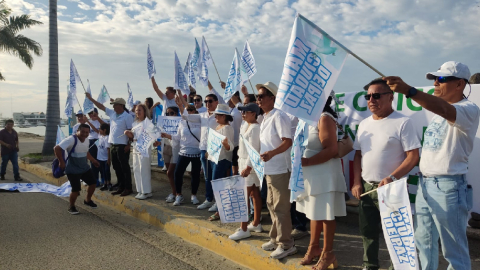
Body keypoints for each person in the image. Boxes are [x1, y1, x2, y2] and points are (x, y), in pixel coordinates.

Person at [384, 61, 480, 270]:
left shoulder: (469, 109)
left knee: (454, 250)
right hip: (425, 185)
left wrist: (409, 91)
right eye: (434, 79)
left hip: (448, 188)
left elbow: (444, 108)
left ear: (460, 84)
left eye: (442, 79)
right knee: (424, 243)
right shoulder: (440, 112)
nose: (435, 83)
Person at [351, 78, 421, 270]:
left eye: (376, 95)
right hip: (366, 187)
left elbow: (413, 156)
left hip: (392, 190)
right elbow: (357, 155)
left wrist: (393, 177)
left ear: (390, 97)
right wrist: (356, 182)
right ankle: (369, 265)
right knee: (368, 232)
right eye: (368, 96)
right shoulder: (364, 124)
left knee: (396, 236)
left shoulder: (403, 122)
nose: (371, 99)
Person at [297, 95, 347, 269]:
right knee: (313, 212)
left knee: (325, 214)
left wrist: (307, 162)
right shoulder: (306, 120)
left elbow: (332, 149)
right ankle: (314, 248)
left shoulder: (324, 117)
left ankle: (328, 253)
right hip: (311, 175)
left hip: (324, 176)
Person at [256, 81, 295, 259]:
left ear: (272, 98)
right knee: (271, 205)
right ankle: (275, 238)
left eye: (261, 96)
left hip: (280, 168)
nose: (258, 99)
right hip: (269, 168)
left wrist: (271, 153)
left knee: (280, 207)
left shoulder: (279, 116)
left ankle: (286, 243)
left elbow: (287, 141)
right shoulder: (266, 117)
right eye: (257, 96)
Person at [85, 93, 134, 197]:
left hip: (122, 145)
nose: (113, 106)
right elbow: (101, 107)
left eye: (115, 105)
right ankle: (121, 186)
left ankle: (128, 187)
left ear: (121, 105)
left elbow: (130, 131)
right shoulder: (112, 113)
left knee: (124, 167)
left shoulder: (127, 116)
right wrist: (91, 98)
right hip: (112, 144)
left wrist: (129, 145)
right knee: (116, 167)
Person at [228, 102, 263, 240]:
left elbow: (254, 149)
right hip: (245, 163)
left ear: (253, 113)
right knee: (254, 194)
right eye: (242, 112)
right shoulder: (247, 125)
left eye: (245, 112)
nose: (242, 114)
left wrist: (248, 167)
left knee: (244, 196)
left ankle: (243, 228)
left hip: (249, 165)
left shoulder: (255, 128)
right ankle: (256, 222)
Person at [54, 123, 100, 214]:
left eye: (87, 132)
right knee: (76, 189)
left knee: (93, 183)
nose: (85, 134)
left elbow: (86, 152)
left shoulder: (87, 140)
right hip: (72, 169)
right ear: (77, 131)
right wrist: (61, 162)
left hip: (84, 167)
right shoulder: (71, 139)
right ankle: (71, 206)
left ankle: (87, 200)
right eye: (83, 131)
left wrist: (93, 160)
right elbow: (57, 148)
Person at [162, 104, 202, 206]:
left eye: (191, 110)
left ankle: (194, 195)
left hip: (196, 152)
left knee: (195, 175)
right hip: (183, 152)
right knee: (178, 174)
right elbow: (178, 137)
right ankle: (179, 195)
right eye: (187, 110)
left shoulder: (200, 121)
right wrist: (167, 136)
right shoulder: (181, 122)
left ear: (195, 111)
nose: (189, 112)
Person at [124, 103, 160, 200]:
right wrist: (128, 133)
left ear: (144, 111)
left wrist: (155, 142)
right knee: (136, 168)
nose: (137, 112)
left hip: (144, 147)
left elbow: (153, 135)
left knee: (144, 169)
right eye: (136, 110)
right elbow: (133, 136)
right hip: (135, 146)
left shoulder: (148, 123)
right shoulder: (134, 124)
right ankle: (140, 190)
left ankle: (146, 191)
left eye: (139, 110)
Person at [206, 103, 235, 221]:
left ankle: (220, 211)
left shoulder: (227, 128)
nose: (215, 117)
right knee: (216, 184)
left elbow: (230, 146)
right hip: (215, 159)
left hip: (222, 159)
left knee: (218, 185)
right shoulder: (218, 127)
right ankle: (221, 208)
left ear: (224, 116)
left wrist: (226, 145)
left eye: (217, 115)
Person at [163, 106, 181, 203]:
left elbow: (179, 137)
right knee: (170, 174)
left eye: (171, 113)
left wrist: (168, 135)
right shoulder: (164, 123)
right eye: (167, 113)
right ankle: (174, 192)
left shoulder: (180, 123)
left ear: (176, 113)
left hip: (175, 148)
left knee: (170, 172)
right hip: (166, 147)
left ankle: (176, 193)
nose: (169, 115)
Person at [86, 108, 105, 186]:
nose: (91, 115)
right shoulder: (87, 123)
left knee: (101, 160)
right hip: (91, 142)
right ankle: (95, 179)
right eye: (89, 114)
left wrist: (89, 122)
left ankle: (103, 179)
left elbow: (99, 132)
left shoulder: (101, 121)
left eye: (93, 113)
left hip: (100, 141)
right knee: (93, 161)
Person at [227, 91, 243, 175]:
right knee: (227, 166)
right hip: (228, 143)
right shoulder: (228, 109)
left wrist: (230, 90)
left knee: (235, 166)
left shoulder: (241, 109)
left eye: (229, 98)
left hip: (237, 143)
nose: (228, 100)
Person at [98, 123, 112, 191]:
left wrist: (109, 159)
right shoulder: (100, 136)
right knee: (103, 171)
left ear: (104, 130)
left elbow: (108, 149)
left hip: (106, 158)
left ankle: (109, 183)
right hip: (100, 157)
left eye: (100, 129)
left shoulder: (107, 138)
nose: (99, 130)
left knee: (107, 171)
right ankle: (105, 183)